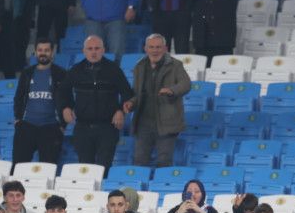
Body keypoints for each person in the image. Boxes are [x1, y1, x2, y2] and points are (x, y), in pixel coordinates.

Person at [59, 35, 135, 169]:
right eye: (90, 49)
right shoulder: (75, 70)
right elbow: (63, 91)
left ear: (103, 50)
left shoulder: (114, 69)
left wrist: (120, 111)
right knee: (85, 169)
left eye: (97, 48)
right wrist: (66, 107)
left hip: (108, 128)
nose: (93, 52)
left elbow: (127, 94)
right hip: (83, 128)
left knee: (104, 168)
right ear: (84, 51)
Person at [127, 33, 190, 166]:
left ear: (165, 48)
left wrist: (172, 90)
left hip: (167, 123)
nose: (155, 50)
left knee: (164, 161)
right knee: (139, 161)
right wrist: (131, 103)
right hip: (143, 122)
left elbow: (186, 84)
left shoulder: (176, 65)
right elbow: (137, 92)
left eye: (158, 47)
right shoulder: (139, 66)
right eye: (151, 47)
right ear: (145, 48)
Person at [12, 40, 67, 167]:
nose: (43, 53)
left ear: (52, 52)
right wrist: (18, 119)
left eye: (46, 50)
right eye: (40, 50)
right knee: (18, 168)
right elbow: (18, 97)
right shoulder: (27, 73)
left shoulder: (61, 74)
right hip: (26, 126)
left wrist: (63, 125)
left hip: (51, 127)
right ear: (36, 52)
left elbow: (67, 99)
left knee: (48, 169)